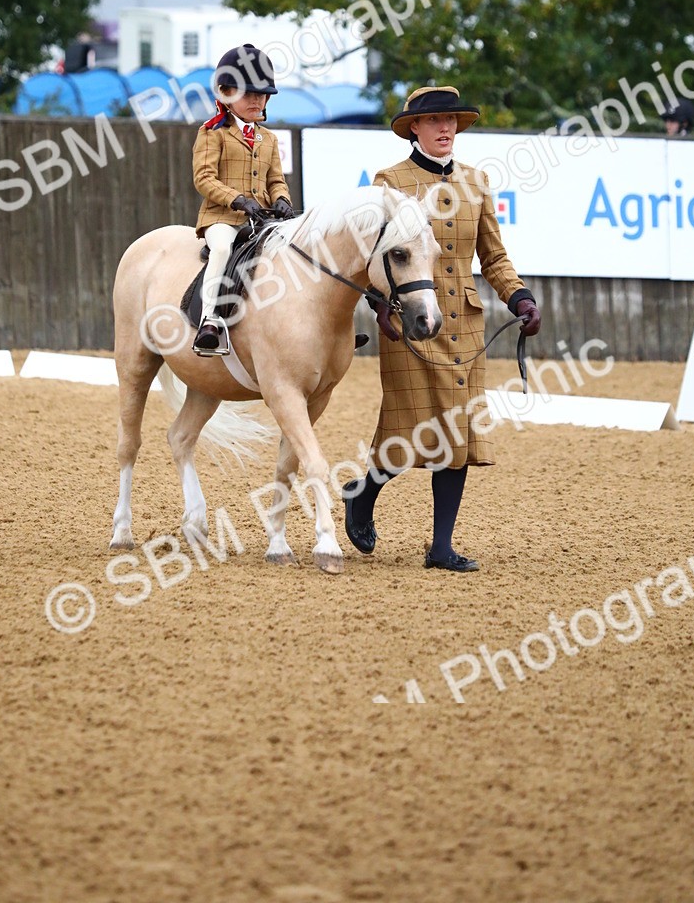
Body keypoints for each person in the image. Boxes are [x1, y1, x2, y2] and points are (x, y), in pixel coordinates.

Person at [343, 85, 541, 571]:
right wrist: (378, 305)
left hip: (465, 325)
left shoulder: (476, 181)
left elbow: (492, 256)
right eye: (435, 121)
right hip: (410, 321)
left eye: (452, 120)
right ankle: (362, 493)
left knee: (458, 433)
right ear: (414, 128)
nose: (446, 128)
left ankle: (441, 547)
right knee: (407, 428)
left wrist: (519, 296)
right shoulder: (389, 181)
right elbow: (371, 256)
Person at [192, 43, 294, 354]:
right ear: (225, 93)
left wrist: (281, 200)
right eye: (248, 93)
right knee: (222, 248)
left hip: (263, 218)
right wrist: (237, 200)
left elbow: (276, 180)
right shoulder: (213, 133)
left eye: (262, 94)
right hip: (223, 217)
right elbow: (204, 179)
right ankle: (209, 320)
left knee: (299, 251)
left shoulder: (269, 138)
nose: (257, 100)